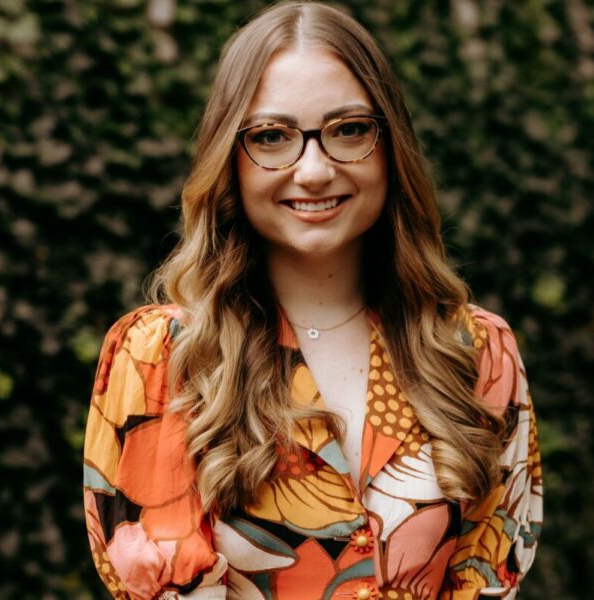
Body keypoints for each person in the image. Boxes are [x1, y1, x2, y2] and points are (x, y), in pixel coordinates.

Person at [82, 2, 542, 598]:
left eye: (349, 130)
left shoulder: (476, 351)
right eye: (272, 137)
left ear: (391, 145)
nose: (315, 170)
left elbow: (488, 571)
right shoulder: (161, 358)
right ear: (230, 159)